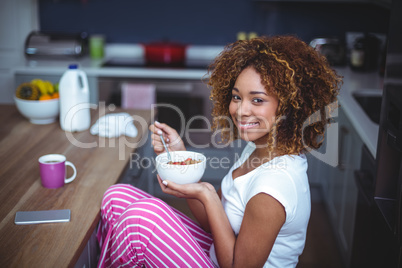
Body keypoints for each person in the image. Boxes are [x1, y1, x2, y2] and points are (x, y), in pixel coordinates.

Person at [96, 35, 342, 268]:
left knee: (142, 218)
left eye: (257, 100)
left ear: (288, 107)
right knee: (117, 197)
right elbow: (215, 223)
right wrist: (179, 158)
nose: (241, 110)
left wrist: (209, 196)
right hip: (218, 253)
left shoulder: (274, 186)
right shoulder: (258, 150)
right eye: (236, 97)